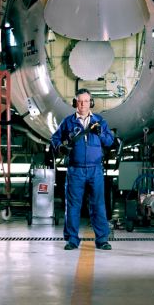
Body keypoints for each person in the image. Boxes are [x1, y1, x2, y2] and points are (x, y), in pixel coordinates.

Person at [51, 88, 114, 250]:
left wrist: (100, 133)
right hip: (75, 170)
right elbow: (55, 138)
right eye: (80, 101)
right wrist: (60, 148)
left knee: (98, 205)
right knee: (73, 205)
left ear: (91, 103)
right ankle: (72, 239)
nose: (83, 105)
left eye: (86, 101)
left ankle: (102, 240)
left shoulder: (100, 121)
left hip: (95, 170)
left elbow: (109, 141)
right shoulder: (68, 122)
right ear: (75, 103)